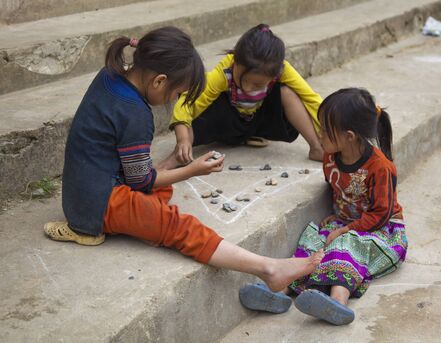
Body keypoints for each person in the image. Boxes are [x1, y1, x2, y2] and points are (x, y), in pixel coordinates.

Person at [43, 27, 324, 292]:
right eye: (175, 94)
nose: (171, 100)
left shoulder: (110, 76)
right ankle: (268, 269)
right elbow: (142, 180)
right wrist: (192, 170)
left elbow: (139, 175)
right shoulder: (136, 114)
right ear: (159, 81)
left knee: (161, 189)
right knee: (178, 225)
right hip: (99, 204)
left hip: (84, 190)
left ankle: (134, 223)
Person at [239, 88, 408, 324]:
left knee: (344, 244)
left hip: (382, 232)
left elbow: (381, 213)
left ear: (349, 136)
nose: (319, 134)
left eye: (326, 131)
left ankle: (338, 302)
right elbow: (340, 190)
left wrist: (345, 229)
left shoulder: (380, 167)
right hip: (347, 224)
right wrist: (338, 217)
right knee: (313, 240)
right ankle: (280, 292)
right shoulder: (331, 157)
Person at [170, 23, 324, 164]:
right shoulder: (224, 72)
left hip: (262, 124)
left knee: (288, 92)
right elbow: (186, 104)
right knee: (194, 97)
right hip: (227, 126)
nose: (248, 88)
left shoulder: (282, 70)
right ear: (235, 61)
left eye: (257, 84)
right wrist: (183, 139)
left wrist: (331, 133)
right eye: (243, 80)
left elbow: (311, 99)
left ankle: (317, 148)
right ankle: (177, 156)